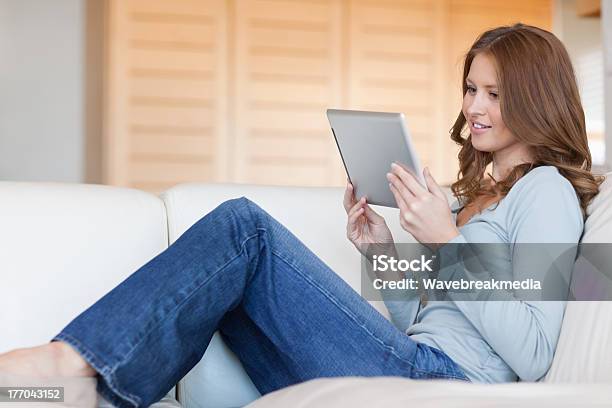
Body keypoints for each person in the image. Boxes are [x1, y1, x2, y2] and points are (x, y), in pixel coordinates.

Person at [0, 23, 604, 408]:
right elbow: (428, 318)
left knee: (244, 228)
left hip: (443, 382)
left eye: (492, 94)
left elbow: (531, 351)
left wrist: (447, 242)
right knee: (230, 291)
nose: (472, 107)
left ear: (534, 99)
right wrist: (383, 254)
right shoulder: (479, 195)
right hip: (413, 360)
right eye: (470, 88)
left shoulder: (545, 192)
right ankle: (92, 390)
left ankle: (68, 361)